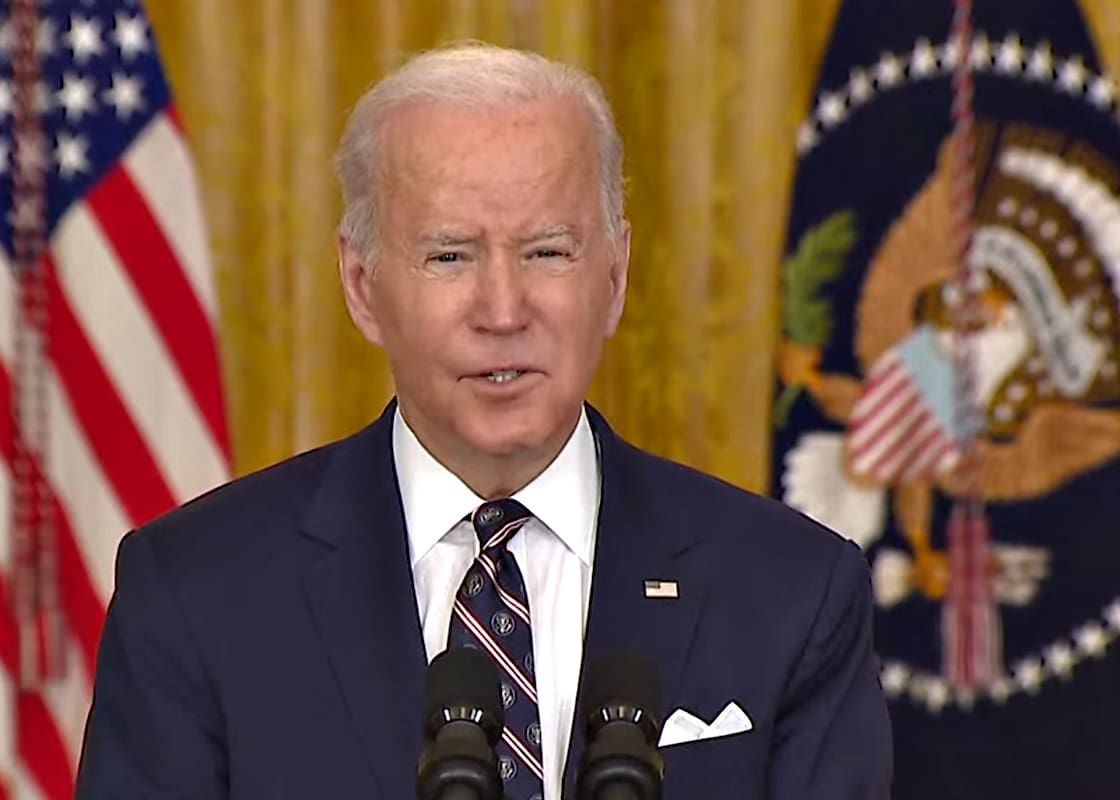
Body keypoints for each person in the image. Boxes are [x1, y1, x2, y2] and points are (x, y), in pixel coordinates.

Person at [75, 42, 892, 799]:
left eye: (547, 252)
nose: (504, 311)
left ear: (614, 277)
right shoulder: (195, 595)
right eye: (450, 255)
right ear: (362, 286)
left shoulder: (793, 593)